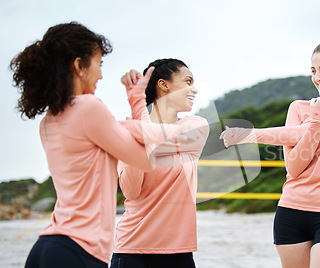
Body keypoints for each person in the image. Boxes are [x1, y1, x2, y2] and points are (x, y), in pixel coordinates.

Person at [11, 22, 193, 267]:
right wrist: (136, 104)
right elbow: (143, 159)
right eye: (99, 64)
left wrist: (121, 125)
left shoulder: (48, 121)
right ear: (79, 66)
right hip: (78, 249)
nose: (101, 74)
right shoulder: (88, 107)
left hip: (45, 247)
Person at [221, 41, 320, 268]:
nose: (317, 77)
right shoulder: (298, 108)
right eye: (313, 71)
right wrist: (317, 123)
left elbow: (300, 134)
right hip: (291, 210)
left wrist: (252, 134)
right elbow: (294, 168)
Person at [110, 59, 209, 268]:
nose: (195, 90)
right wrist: (138, 119)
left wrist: (138, 117)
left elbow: (153, 138)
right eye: (188, 81)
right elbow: (131, 190)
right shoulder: (127, 132)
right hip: (132, 250)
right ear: (164, 85)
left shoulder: (196, 126)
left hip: (179, 252)